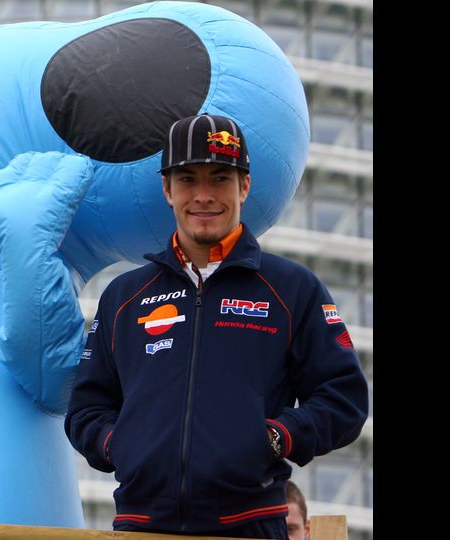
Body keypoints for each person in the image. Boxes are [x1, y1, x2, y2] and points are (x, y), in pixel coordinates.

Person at [65, 114, 368, 539]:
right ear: (168, 190)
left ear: (244, 186)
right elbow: (85, 410)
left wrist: (276, 437)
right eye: (188, 179)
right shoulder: (123, 297)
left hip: (249, 527)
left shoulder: (292, 289)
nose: (203, 196)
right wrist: (121, 445)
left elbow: (344, 400)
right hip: (139, 528)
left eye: (220, 178)